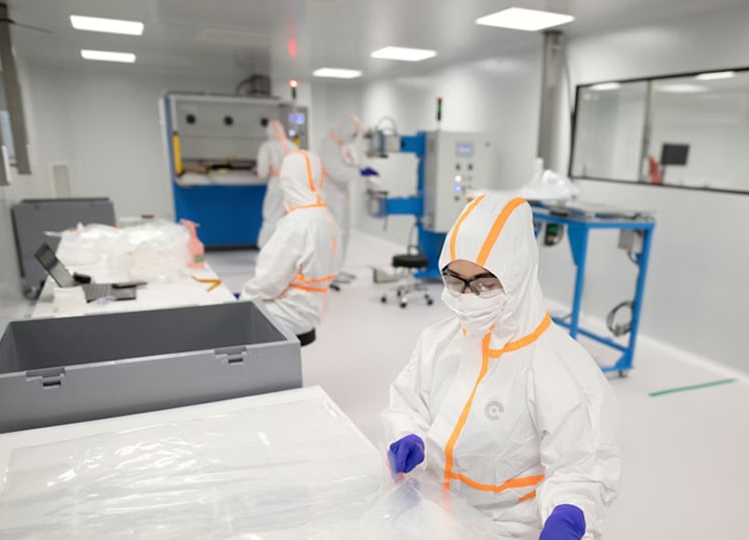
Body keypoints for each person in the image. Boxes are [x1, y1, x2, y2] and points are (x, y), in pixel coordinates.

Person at [382, 195, 621, 539]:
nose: (466, 297)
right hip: (430, 512)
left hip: (507, 528)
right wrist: (408, 434)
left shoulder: (560, 367)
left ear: (518, 276)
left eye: (484, 283)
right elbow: (407, 402)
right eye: (454, 279)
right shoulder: (439, 341)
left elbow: (580, 470)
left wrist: (569, 513)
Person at [241, 150, 340, 344]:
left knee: (226, 325)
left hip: (288, 312)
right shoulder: (326, 217)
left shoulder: (297, 223)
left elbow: (269, 282)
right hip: (314, 307)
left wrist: (243, 300)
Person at [319, 115, 379, 272]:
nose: (353, 138)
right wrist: (359, 173)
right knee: (333, 234)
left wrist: (363, 170)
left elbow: (352, 163)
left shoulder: (344, 146)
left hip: (342, 195)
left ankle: (337, 269)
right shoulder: (328, 145)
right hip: (330, 195)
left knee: (344, 233)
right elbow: (336, 171)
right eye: (353, 134)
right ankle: (328, 272)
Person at [256, 119, 298, 248]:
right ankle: (282, 251)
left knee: (271, 216)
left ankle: (265, 250)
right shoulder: (292, 146)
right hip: (292, 186)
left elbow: (262, 172)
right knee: (287, 218)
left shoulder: (267, 146)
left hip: (276, 184)